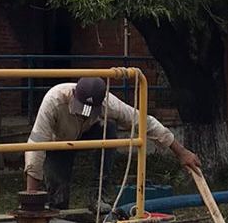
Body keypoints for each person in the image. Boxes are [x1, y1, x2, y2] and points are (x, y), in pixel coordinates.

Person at [24, 77, 201, 209]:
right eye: (82, 110)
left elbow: (145, 122)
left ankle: (98, 196)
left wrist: (181, 152)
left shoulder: (109, 103)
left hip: (87, 134)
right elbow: (35, 147)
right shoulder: (54, 101)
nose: (84, 114)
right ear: (73, 95)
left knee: (108, 127)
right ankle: (55, 207)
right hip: (59, 141)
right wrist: (31, 197)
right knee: (58, 201)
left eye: (90, 111)